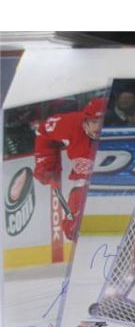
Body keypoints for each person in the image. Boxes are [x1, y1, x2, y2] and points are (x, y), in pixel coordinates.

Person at [32, 97, 107, 240]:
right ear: (85, 120)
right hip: (84, 184)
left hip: (117, 184)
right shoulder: (70, 124)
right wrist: (45, 162)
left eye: (103, 122)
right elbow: (42, 131)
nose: (98, 128)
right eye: (94, 122)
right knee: (72, 228)